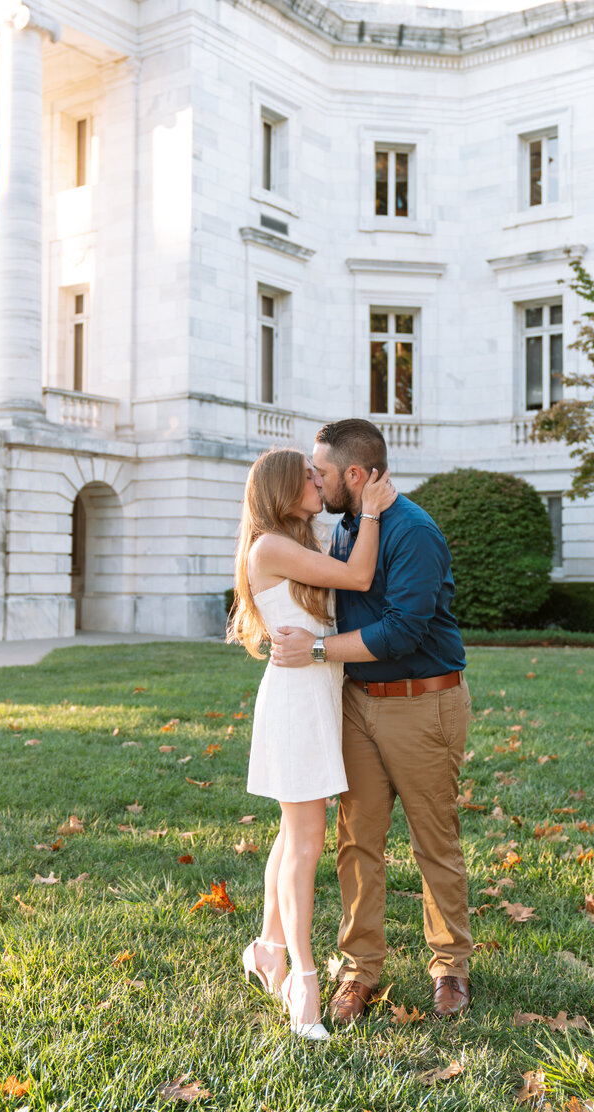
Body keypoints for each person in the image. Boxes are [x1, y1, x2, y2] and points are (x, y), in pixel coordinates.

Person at [270, 419, 473, 1022]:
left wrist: (314, 650)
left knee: (433, 839)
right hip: (357, 704)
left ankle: (451, 968)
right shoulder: (350, 527)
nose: (315, 479)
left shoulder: (413, 530)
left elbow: (402, 630)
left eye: (322, 472)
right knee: (357, 841)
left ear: (354, 475)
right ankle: (359, 972)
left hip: (423, 701)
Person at [228, 445, 396, 1040]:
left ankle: (268, 948)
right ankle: (303, 979)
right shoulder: (271, 546)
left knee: (293, 832)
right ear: (279, 488)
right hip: (297, 700)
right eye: (306, 475)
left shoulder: (304, 542)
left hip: (316, 695)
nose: (316, 481)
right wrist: (372, 511)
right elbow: (358, 578)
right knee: (306, 840)